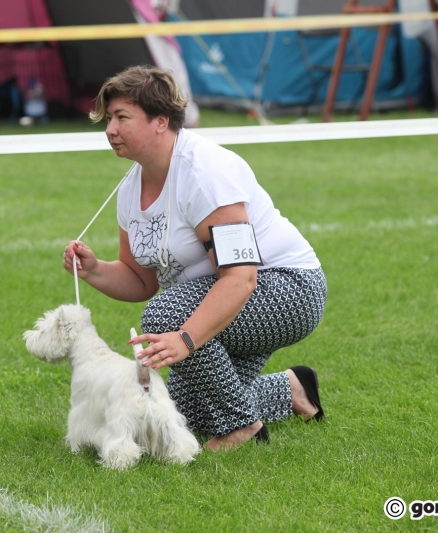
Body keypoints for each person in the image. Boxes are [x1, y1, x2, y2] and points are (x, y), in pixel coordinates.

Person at [63, 66, 327, 451]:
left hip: (288, 290)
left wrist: (185, 338)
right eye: (108, 119)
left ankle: (245, 428)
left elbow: (241, 277)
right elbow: (142, 281)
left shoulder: (206, 173)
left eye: (122, 118)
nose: (110, 129)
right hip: (232, 296)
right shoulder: (130, 188)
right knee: (190, 416)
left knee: (164, 317)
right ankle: (293, 388)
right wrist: (95, 270)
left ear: (161, 121)